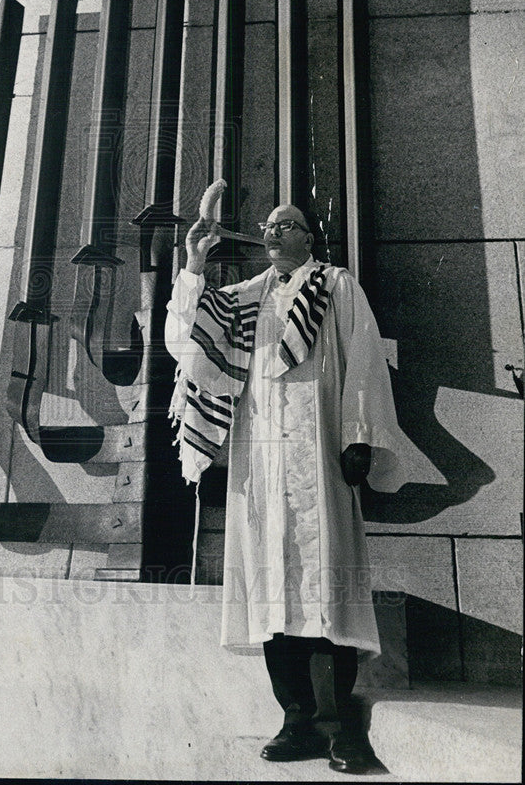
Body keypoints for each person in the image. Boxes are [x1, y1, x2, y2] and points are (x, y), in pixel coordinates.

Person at [164, 203, 407, 774]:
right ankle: (296, 718)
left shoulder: (335, 285)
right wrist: (195, 263)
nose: (273, 233)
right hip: (263, 466)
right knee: (272, 591)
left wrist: (360, 434)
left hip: (320, 458)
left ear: (311, 236)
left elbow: (366, 359)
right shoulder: (249, 296)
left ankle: (343, 724)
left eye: (287, 225)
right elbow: (188, 341)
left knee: (327, 588)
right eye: (269, 227)